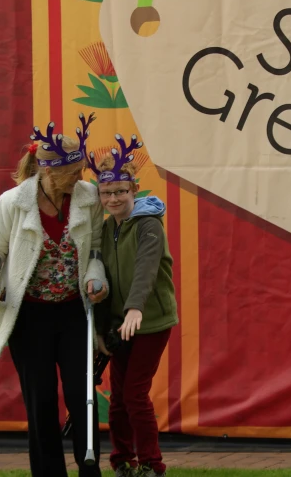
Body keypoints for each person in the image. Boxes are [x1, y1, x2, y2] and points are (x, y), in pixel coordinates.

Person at [0, 113, 109, 477]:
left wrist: (95, 277)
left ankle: (89, 469)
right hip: (29, 316)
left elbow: (95, 250)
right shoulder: (13, 201)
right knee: (41, 400)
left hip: (74, 311)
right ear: (49, 172)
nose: (81, 178)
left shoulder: (88, 197)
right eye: (73, 172)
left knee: (83, 397)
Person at [85, 135, 179, 477]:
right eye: (107, 193)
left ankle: (153, 465)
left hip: (150, 321)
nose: (113, 199)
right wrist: (100, 331)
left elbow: (146, 267)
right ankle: (122, 461)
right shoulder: (108, 228)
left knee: (136, 394)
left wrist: (137, 307)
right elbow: (101, 283)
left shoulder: (149, 224)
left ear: (134, 190)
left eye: (120, 192)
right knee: (120, 396)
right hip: (119, 326)